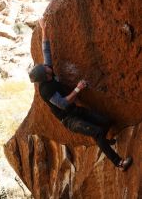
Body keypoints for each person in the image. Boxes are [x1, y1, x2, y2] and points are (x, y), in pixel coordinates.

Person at [29, 18, 133, 171]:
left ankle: (103, 141)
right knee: (97, 133)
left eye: (45, 68)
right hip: (69, 119)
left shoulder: (47, 71)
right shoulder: (46, 90)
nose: (47, 67)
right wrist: (78, 89)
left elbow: (46, 51)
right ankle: (119, 163)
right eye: (45, 70)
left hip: (75, 110)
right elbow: (63, 103)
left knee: (106, 121)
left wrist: (44, 29)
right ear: (44, 77)